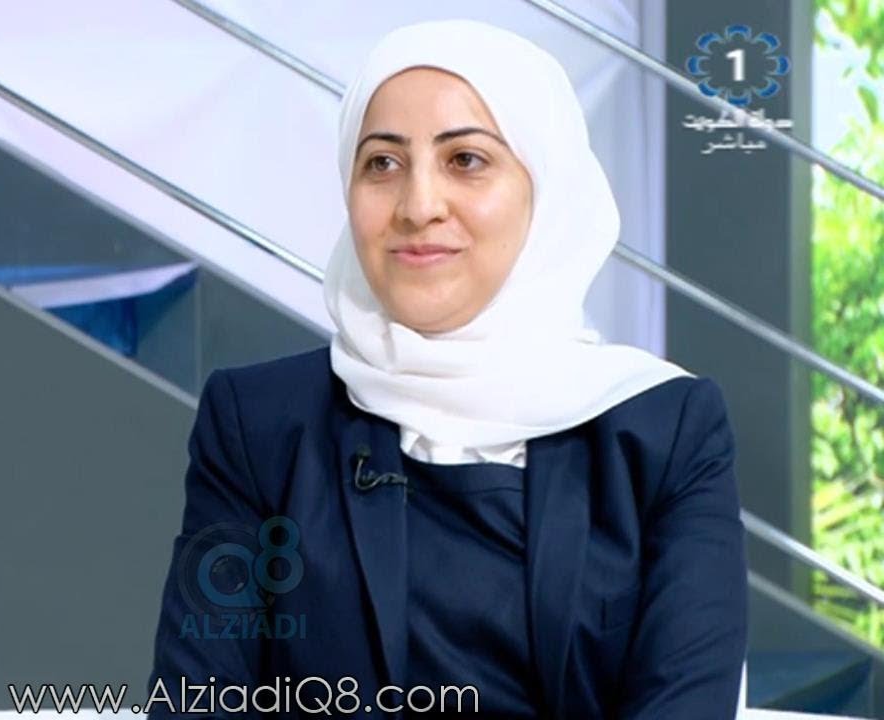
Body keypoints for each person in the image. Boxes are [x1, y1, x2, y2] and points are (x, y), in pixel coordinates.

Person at [145, 18, 746, 720]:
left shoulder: (666, 431)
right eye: (382, 163)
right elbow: (196, 702)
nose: (418, 206)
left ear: (545, 188)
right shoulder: (258, 427)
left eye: (465, 159)